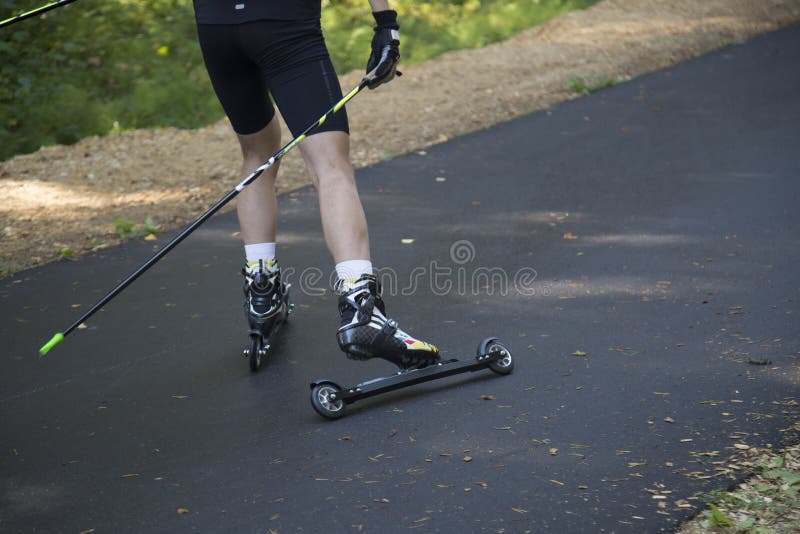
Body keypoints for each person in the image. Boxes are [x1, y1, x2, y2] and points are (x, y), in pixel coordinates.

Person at [192, 0, 439, 368]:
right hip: (282, 22)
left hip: (217, 25)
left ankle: (262, 290)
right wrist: (386, 22)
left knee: (257, 151)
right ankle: (361, 306)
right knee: (330, 163)